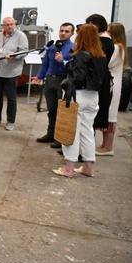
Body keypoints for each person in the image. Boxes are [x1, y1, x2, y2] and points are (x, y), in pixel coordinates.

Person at [53, 23, 108, 178]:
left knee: (70, 130)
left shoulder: (81, 55)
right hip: (93, 97)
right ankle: (88, 167)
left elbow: (77, 78)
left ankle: (69, 169)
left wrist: (66, 82)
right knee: (87, 132)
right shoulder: (101, 56)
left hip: (78, 95)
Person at [32, 22, 74, 143]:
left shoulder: (73, 48)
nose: (63, 33)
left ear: (72, 33)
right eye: (61, 30)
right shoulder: (52, 47)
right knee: (51, 110)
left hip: (64, 81)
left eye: (66, 31)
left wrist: (63, 60)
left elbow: (74, 68)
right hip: (50, 80)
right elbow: (45, 64)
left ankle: (59, 137)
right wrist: (39, 76)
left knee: (62, 111)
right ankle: (50, 134)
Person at [0, 16, 28, 131]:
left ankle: (10, 121)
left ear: (15, 24)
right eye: (7, 24)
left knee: (11, 97)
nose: (10, 26)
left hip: (11, 72)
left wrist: (14, 56)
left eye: (12, 24)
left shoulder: (21, 36)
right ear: (3, 25)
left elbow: (24, 52)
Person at [97, 22, 128, 155]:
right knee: (107, 115)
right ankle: (105, 144)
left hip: (112, 86)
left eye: (109, 31)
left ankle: (108, 147)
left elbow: (107, 63)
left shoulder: (117, 47)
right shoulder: (119, 47)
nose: (106, 33)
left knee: (110, 117)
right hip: (112, 83)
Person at [85, 14, 114, 133]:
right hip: (94, 76)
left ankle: (84, 149)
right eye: (88, 23)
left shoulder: (105, 40)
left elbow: (96, 59)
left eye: (93, 23)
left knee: (92, 115)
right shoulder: (98, 39)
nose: (90, 26)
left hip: (98, 78)